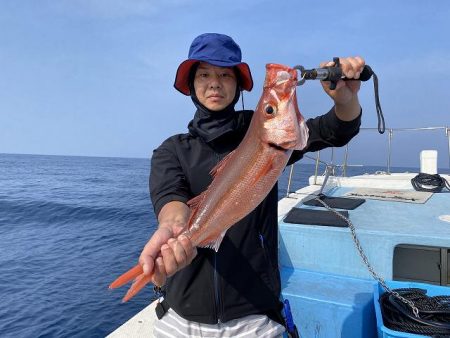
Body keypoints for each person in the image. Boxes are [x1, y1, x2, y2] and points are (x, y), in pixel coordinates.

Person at [141, 33, 364, 337]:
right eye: (204, 74)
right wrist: (173, 229)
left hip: (253, 317)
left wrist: (346, 100)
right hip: (182, 317)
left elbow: (334, 129)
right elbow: (171, 201)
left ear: (238, 84)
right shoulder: (173, 150)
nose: (214, 83)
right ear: (191, 83)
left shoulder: (262, 132)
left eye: (224, 74)